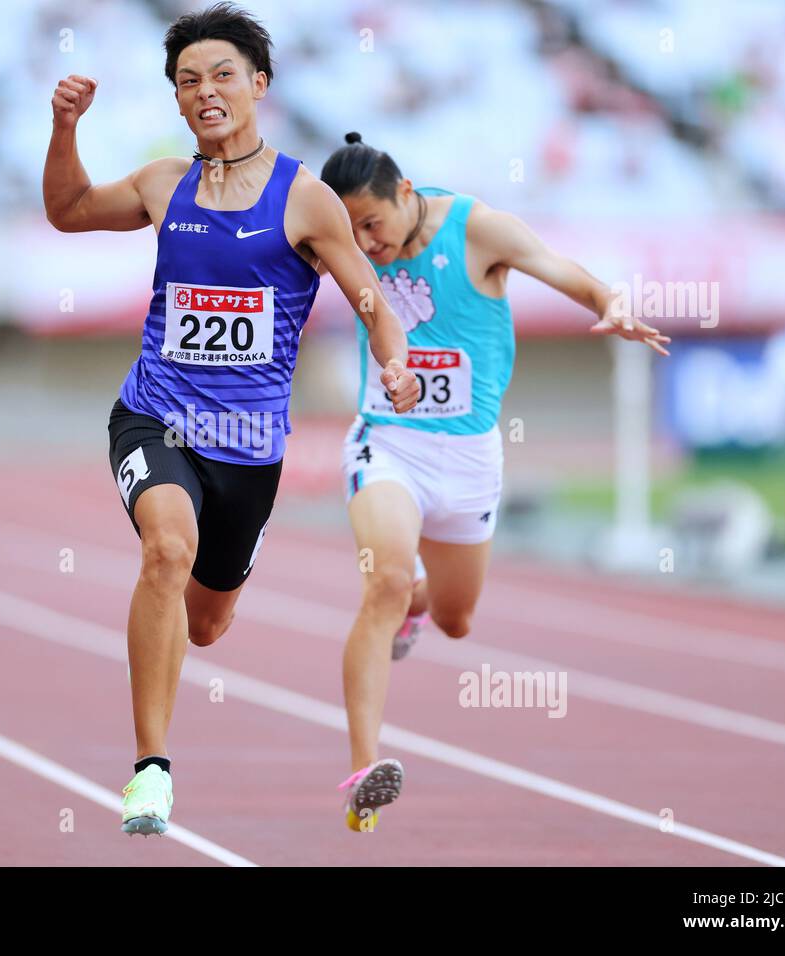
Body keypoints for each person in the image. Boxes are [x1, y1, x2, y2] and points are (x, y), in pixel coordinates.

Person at [43, 5, 419, 836]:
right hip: (154, 419)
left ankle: (201, 617)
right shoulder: (161, 183)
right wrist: (66, 126)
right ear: (177, 101)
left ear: (258, 85)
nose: (205, 92)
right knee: (165, 550)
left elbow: (370, 299)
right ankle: (151, 771)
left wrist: (393, 360)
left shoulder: (307, 199)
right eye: (187, 81)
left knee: (207, 624)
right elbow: (67, 210)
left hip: (248, 451)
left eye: (221, 76)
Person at [322, 132, 669, 831]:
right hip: (387, 443)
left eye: (372, 224)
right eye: (350, 230)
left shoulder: (478, 230)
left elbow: (560, 268)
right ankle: (364, 771)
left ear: (406, 194)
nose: (364, 243)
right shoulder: (340, 243)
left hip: (473, 459)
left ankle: (420, 602)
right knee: (383, 580)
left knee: (456, 619)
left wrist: (610, 301)